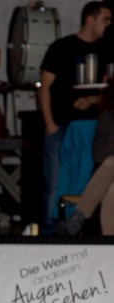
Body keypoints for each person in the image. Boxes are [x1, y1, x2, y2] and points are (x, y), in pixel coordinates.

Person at [40, 1, 111, 234]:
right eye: (105, 19)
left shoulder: (106, 50)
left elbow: (109, 93)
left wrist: (92, 100)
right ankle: (48, 236)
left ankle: (82, 232)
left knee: (90, 181)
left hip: (93, 127)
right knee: (55, 183)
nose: (109, 24)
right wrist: (49, 124)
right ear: (90, 19)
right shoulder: (62, 47)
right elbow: (44, 86)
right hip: (62, 123)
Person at [57, 86, 114, 235]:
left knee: (111, 162)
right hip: (108, 174)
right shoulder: (108, 118)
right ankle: (108, 243)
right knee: (112, 188)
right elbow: (98, 155)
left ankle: (79, 215)